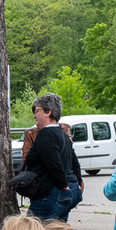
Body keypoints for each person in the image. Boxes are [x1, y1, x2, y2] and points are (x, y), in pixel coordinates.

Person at [21, 93, 83, 222]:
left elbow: (54, 163)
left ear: (48, 112)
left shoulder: (46, 134)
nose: (34, 115)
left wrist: (63, 187)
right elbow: (75, 163)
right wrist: (76, 185)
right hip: (69, 189)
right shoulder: (62, 134)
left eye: (37, 111)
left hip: (51, 193)